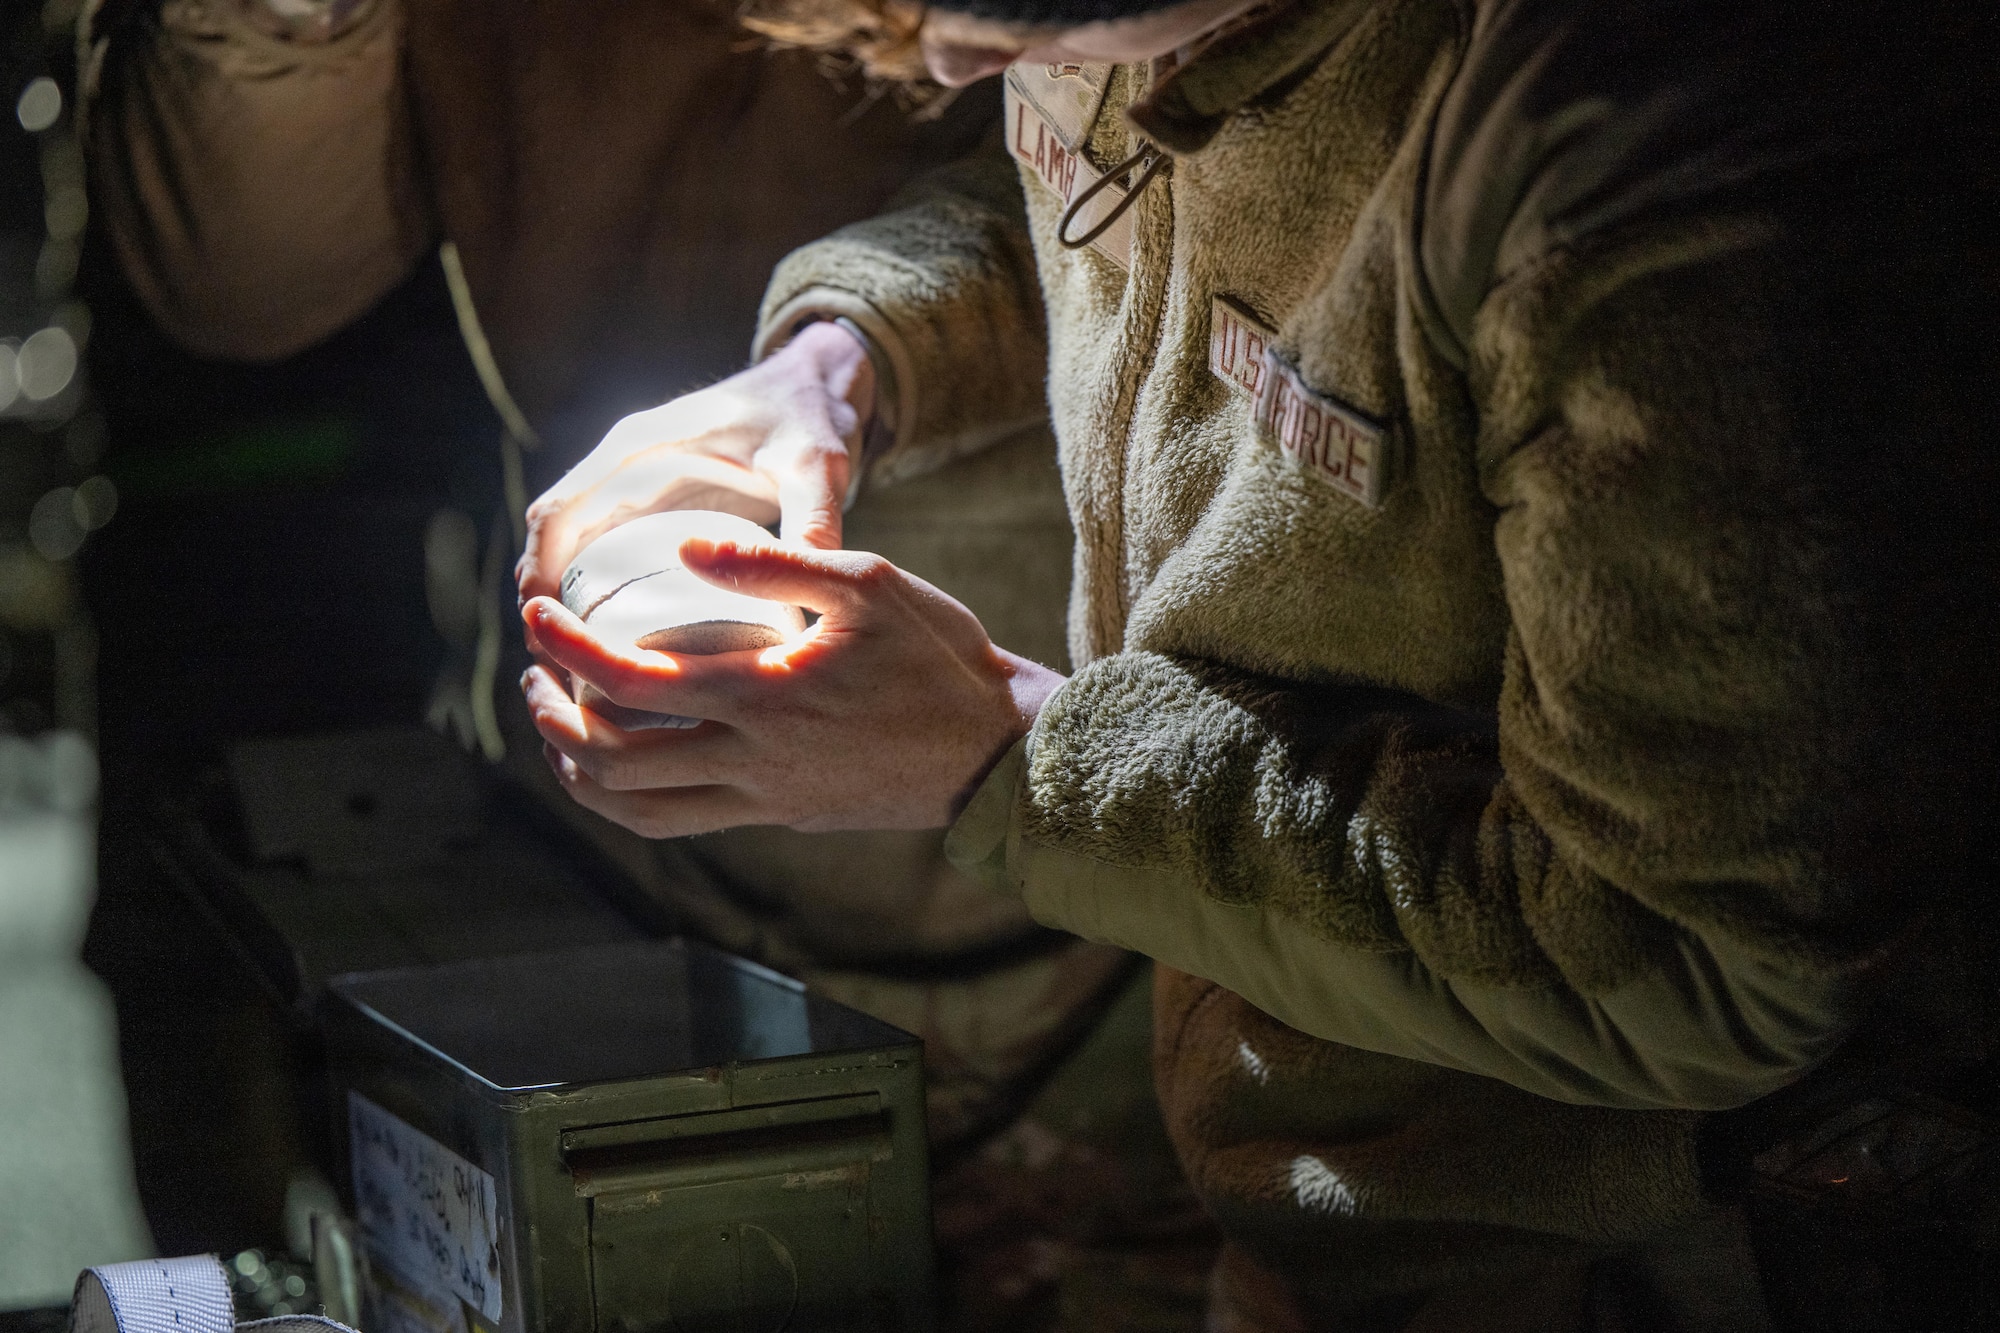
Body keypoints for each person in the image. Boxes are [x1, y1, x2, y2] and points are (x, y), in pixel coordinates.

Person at [516, 0, 2000, 1327]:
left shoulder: (1647, 161)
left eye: (996, 17)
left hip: (1655, 1258)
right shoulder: (1145, 30)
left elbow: (1696, 960)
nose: (954, 63)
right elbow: (1112, 168)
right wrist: (847, 354)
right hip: (1331, 1233)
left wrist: (1008, 755)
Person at [81, 2, 1214, 1324]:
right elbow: (243, 278)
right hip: (611, 884)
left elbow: (1164, 142)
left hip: (1079, 912)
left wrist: (860, 349)